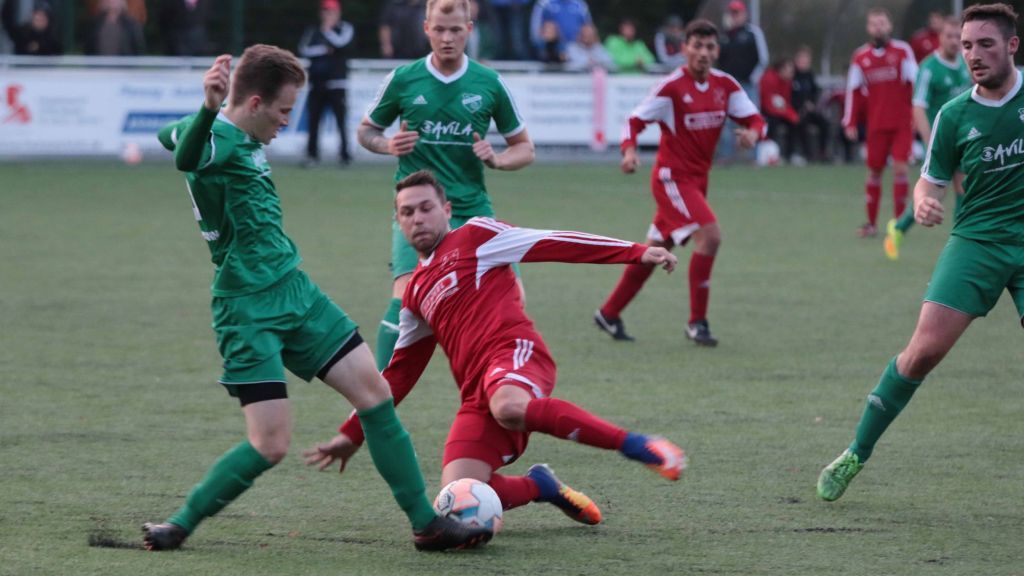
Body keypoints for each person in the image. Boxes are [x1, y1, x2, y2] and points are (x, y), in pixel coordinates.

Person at [143, 46, 491, 553]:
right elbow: (186, 155)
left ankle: (426, 523)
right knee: (271, 445)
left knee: (375, 396)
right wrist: (207, 111)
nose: (288, 121)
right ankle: (180, 523)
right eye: (284, 111)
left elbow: (166, 135)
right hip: (246, 308)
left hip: (297, 293)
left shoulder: (229, 128)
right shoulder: (218, 137)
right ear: (257, 102)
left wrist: (211, 110)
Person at [305, 170, 687, 525]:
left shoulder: (475, 236)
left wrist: (634, 251)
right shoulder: (415, 293)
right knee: (456, 500)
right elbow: (398, 375)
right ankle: (542, 486)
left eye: (426, 208)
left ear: (446, 210)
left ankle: (636, 445)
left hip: (515, 353)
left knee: (507, 406)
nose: (418, 218)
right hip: (476, 395)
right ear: (399, 222)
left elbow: (549, 242)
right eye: (407, 212)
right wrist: (352, 433)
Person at [818, 3, 1024, 502]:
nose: (974, 55)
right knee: (922, 352)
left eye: (986, 45)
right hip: (975, 241)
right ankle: (855, 453)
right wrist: (925, 203)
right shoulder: (954, 115)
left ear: (1013, 45)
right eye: (969, 46)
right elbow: (928, 182)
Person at [358, 0, 534, 373]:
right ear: (426, 29)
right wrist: (386, 144)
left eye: (455, 30)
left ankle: (506, 383)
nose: (447, 38)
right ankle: (376, 400)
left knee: (513, 299)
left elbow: (525, 148)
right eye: (439, 29)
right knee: (405, 300)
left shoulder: (488, 83)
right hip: (417, 210)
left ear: (469, 29)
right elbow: (366, 132)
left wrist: (498, 159)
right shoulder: (404, 79)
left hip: (471, 209)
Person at [594, 19, 766, 346]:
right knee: (711, 237)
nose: (703, 53)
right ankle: (696, 323)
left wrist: (754, 133)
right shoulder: (672, 88)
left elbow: (754, 118)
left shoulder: (725, 86)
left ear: (717, 51)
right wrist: (629, 152)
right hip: (671, 179)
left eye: (710, 47)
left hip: (697, 182)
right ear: (685, 48)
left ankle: (609, 312)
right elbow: (634, 121)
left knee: (655, 250)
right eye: (696, 46)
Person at [884, 16, 971, 260]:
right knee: (935, 194)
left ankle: (959, 243)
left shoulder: (967, 64)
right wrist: (930, 140)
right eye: (950, 36)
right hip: (939, 138)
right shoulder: (929, 68)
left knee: (964, 186)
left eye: (959, 37)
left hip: (965, 138)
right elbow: (918, 107)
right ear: (939, 38)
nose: (955, 41)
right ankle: (899, 227)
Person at [842, 8, 917, 238]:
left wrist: (917, 115)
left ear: (890, 26)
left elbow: (916, 84)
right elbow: (853, 90)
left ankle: (899, 224)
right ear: (868, 28)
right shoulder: (860, 57)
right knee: (874, 172)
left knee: (900, 169)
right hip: (876, 124)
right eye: (874, 24)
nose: (878, 27)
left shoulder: (902, 51)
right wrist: (850, 121)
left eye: (882, 23)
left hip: (902, 123)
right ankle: (872, 224)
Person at [298, 0, 354, 167]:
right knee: (314, 121)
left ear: (338, 13)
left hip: (337, 84)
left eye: (331, 12)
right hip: (317, 84)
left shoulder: (345, 28)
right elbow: (304, 50)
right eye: (325, 12)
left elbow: (342, 44)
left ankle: (345, 155)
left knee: (341, 121)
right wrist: (325, 50)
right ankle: (312, 155)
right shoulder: (313, 31)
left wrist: (328, 32)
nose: (327, 15)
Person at [716, 0, 768, 163]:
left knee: (753, 119)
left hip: (747, 85)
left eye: (737, 13)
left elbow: (763, 59)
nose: (734, 16)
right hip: (728, 87)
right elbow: (719, 61)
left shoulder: (753, 33)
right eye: (732, 13)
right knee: (726, 122)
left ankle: (754, 157)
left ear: (744, 14)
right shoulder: (724, 36)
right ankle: (726, 155)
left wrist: (753, 78)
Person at [790, 45, 830, 163]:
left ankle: (823, 153)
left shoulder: (810, 75)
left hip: (810, 110)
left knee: (825, 123)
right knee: (802, 123)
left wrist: (812, 103)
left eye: (806, 60)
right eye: (801, 59)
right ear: (796, 60)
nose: (804, 62)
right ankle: (807, 154)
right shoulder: (792, 75)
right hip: (796, 111)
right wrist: (801, 105)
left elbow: (815, 92)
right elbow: (790, 95)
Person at [759, 57, 800, 163]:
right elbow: (768, 105)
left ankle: (790, 155)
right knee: (772, 122)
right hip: (766, 112)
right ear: (781, 70)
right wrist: (789, 114)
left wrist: (792, 115)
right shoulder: (769, 79)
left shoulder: (788, 82)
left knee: (795, 123)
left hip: (779, 112)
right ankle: (768, 155)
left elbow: (785, 103)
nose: (792, 74)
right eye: (790, 71)